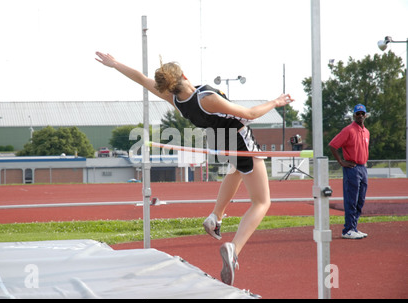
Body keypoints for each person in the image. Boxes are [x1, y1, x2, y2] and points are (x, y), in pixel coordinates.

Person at [95, 52, 294, 285]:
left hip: (220, 141)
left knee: (235, 171)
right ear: (183, 75)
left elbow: (140, 78)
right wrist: (276, 102)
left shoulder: (174, 99)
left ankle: (215, 217)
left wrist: (115, 64)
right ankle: (234, 248)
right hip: (238, 140)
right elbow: (249, 114)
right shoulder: (205, 98)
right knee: (262, 202)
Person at [329, 104, 370, 239]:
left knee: (360, 200)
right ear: (354, 115)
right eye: (357, 113)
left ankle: (354, 227)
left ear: (365, 115)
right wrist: (341, 162)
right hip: (352, 168)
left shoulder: (366, 132)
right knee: (351, 199)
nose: (360, 116)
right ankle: (348, 229)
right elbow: (333, 145)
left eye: (362, 113)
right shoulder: (348, 130)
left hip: (363, 168)